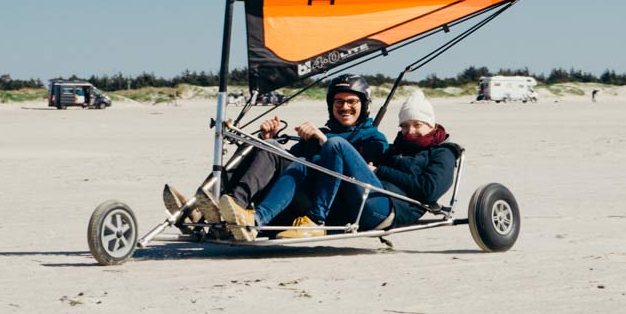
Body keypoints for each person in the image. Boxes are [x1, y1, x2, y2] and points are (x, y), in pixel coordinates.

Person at [164, 77, 389, 239]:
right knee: (264, 146)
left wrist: (322, 140)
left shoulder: (373, 138)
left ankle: (233, 213)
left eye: (352, 102)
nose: (345, 107)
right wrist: (266, 140)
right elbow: (288, 164)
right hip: (298, 192)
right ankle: (211, 208)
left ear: (364, 105)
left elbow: (356, 172)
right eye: (339, 101)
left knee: (282, 152)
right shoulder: (324, 130)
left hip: (329, 206)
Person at [239, 87, 459, 241]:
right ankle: (254, 218)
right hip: (360, 201)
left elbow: (428, 190)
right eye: (404, 126)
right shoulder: (396, 149)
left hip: (388, 210)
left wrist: (381, 169)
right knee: (298, 159)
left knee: (336, 144)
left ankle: (315, 221)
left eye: (417, 124)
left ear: (430, 125)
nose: (410, 131)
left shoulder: (442, 152)